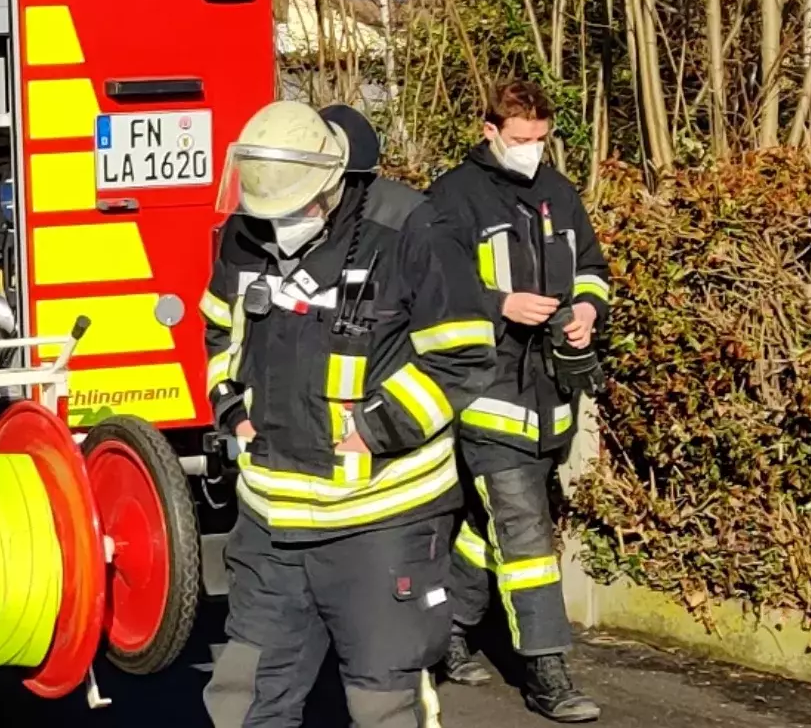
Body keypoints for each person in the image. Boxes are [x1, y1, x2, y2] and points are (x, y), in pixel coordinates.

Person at [203, 101, 497, 728]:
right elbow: (217, 334)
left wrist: (374, 429)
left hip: (381, 521)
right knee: (244, 696)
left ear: (331, 186)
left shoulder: (412, 229)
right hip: (271, 521)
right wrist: (230, 408)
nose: (276, 225)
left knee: (381, 703)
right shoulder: (244, 232)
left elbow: (463, 356)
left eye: (291, 211)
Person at [427, 81, 605, 723]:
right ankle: (548, 671)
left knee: (487, 526)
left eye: (540, 139)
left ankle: (445, 630)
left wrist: (587, 308)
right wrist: (498, 304)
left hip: (551, 396)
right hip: (486, 393)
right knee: (527, 534)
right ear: (490, 131)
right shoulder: (453, 196)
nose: (532, 150)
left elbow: (590, 265)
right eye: (520, 139)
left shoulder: (558, 191)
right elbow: (432, 285)